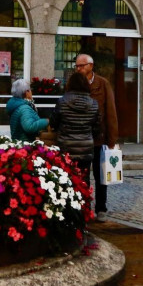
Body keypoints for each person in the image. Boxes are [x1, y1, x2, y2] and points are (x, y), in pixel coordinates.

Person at [73, 53, 118, 217]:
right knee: (82, 175)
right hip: (81, 139)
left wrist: (112, 138)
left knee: (100, 176)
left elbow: (111, 112)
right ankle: (83, 208)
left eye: (81, 65)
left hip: (99, 139)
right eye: (77, 66)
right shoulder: (74, 83)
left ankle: (101, 208)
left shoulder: (103, 84)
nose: (78, 69)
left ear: (91, 66)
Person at [51, 70, 101, 201]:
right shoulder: (94, 104)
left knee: (65, 179)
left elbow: (54, 123)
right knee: (84, 179)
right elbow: (97, 128)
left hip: (66, 148)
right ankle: (84, 209)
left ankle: (68, 210)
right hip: (86, 149)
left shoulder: (62, 102)